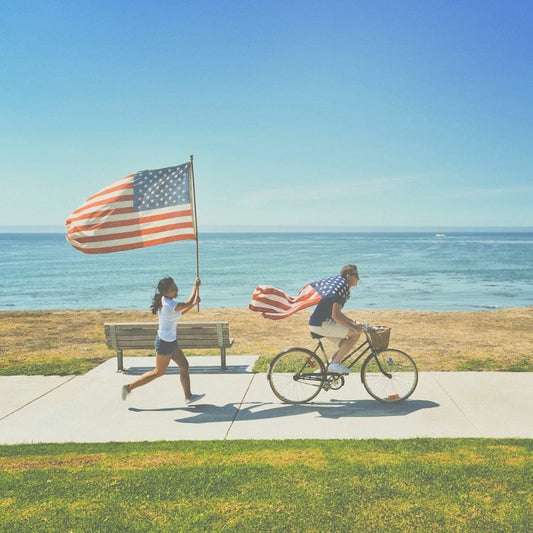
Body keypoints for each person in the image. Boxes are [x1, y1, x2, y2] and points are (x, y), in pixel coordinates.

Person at [121, 276, 205, 404]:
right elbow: (186, 303)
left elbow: (180, 313)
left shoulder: (167, 300)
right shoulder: (169, 303)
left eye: (176, 287)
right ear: (165, 292)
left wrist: (194, 304)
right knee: (158, 372)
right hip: (165, 343)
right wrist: (195, 287)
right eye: (173, 289)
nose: (176, 290)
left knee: (184, 366)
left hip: (171, 341)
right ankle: (129, 387)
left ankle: (188, 396)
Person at [308, 264, 368, 373]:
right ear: (348, 276)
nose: (358, 278)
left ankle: (324, 371)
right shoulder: (341, 289)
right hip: (321, 324)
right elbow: (336, 316)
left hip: (319, 323)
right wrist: (355, 327)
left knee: (345, 345)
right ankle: (334, 365)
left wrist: (353, 322)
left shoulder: (342, 287)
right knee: (355, 335)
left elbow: (338, 314)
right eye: (356, 275)